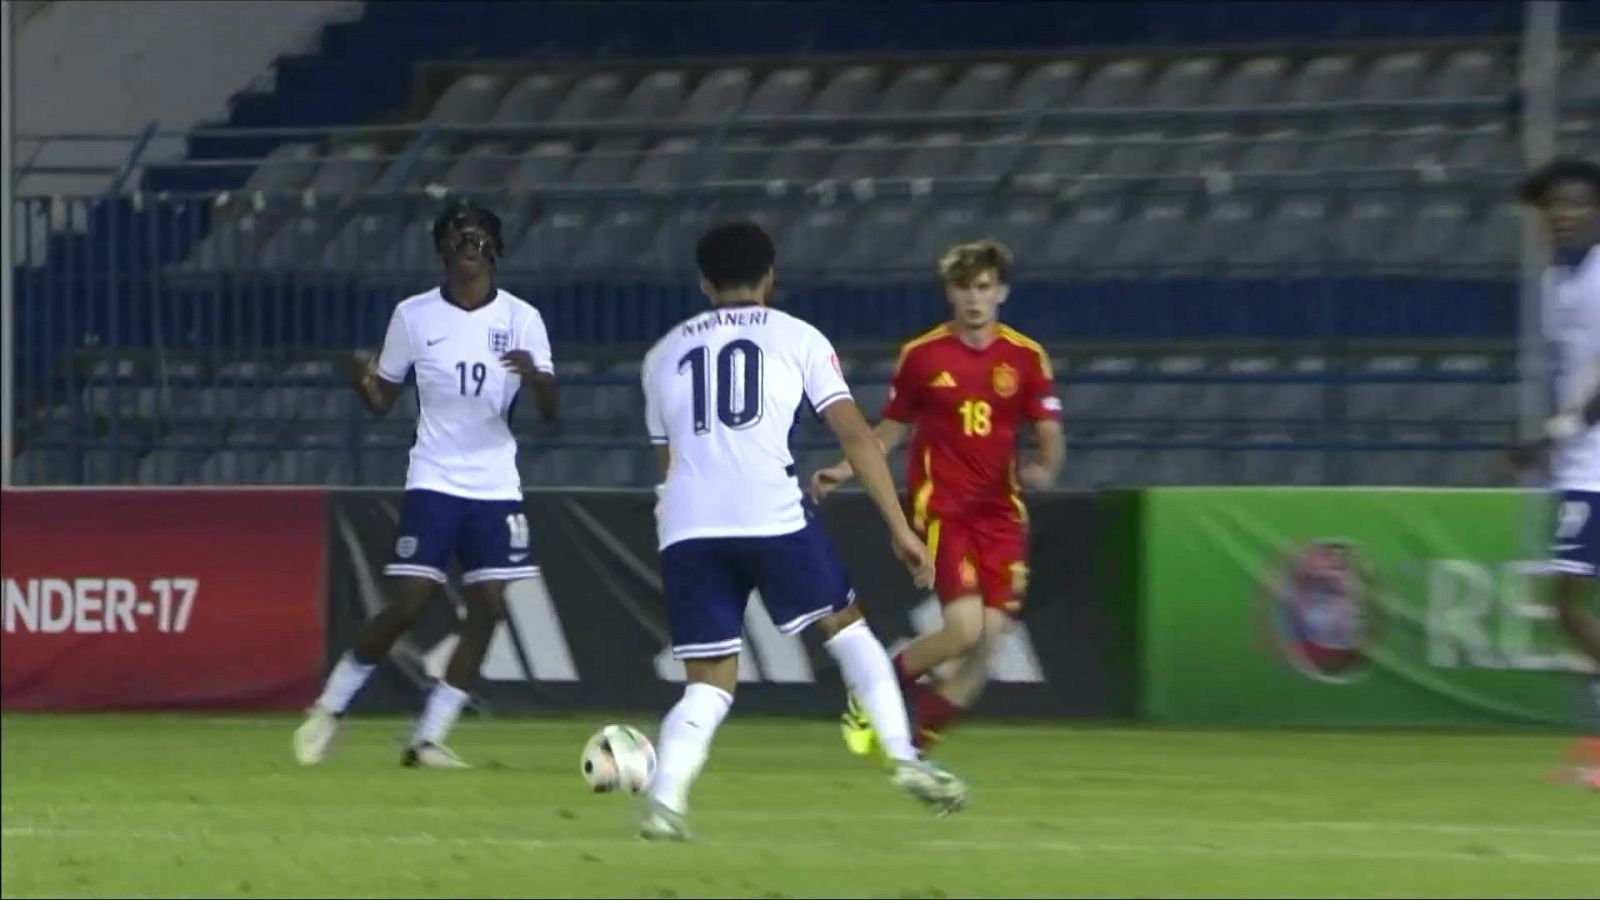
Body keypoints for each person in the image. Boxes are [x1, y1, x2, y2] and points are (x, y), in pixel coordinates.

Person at [636, 220, 967, 841]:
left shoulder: (661, 354)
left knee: (708, 684)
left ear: (704, 282)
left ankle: (665, 801)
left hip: (687, 522)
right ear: (770, 276)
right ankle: (903, 758)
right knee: (848, 632)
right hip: (769, 512)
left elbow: (669, 462)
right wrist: (899, 527)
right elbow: (856, 437)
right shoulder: (798, 338)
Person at [293, 202, 558, 768]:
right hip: (435, 476)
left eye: (480, 236)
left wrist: (535, 377)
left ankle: (429, 735)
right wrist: (360, 380)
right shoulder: (413, 317)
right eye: (459, 237)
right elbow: (382, 401)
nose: (470, 245)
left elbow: (552, 409)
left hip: (495, 483)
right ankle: (331, 705)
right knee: (410, 603)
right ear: (443, 250)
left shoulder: (522, 318)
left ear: (495, 249)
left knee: (488, 608)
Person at [811, 239, 1064, 754]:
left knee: (990, 638)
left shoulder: (1026, 356)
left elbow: (1049, 431)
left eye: (984, 287)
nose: (974, 298)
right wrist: (845, 468)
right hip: (944, 509)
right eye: (964, 287)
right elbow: (890, 430)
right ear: (950, 293)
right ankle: (873, 694)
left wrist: (1045, 466)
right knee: (965, 628)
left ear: (1001, 293)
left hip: (1001, 515)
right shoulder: (923, 356)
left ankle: (916, 743)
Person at [1507, 158, 1600, 790]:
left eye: (1576, 201)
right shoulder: (1555, 280)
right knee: (1566, 603)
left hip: (1596, 458)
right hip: (1579, 456)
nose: (1564, 212)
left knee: (1566, 600)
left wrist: (1555, 432)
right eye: (1554, 204)